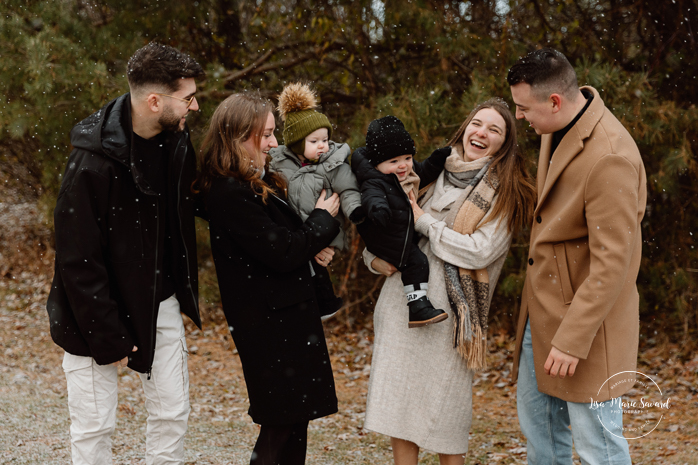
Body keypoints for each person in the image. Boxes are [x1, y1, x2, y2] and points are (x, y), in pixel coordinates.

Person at [46, 42, 205, 464]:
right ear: (155, 101)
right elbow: (77, 260)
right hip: (90, 312)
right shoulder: (90, 162)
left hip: (159, 298)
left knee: (172, 413)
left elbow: (196, 203)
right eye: (187, 98)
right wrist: (107, 333)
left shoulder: (176, 144)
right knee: (94, 427)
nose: (195, 105)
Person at [362, 99, 536, 464]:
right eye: (477, 123)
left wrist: (425, 221)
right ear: (465, 127)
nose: (482, 133)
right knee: (400, 409)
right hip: (402, 307)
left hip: (453, 318)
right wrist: (373, 260)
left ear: (505, 144)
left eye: (494, 130)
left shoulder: (504, 190)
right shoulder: (425, 172)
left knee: (447, 417)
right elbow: (383, 229)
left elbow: (480, 250)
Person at [507, 48, 647, 464]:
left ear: (554, 101)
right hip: (540, 314)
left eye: (522, 107)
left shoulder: (610, 155)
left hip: (585, 332)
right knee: (542, 439)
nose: (518, 117)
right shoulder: (557, 124)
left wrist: (571, 340)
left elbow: (613, 265)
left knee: (599, 449)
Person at [196, 92, 341, 465]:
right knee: (279, 426)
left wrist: (313, 242)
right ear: (237, 136)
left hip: (287, 320)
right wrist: (322, 220)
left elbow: (286, 245)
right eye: (266, 135)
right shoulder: (230, 191)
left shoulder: (254, 181)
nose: (275, 144)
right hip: (269, 327)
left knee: (295, 422)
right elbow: (283, 252)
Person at [269, 82, 364, 317]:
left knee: (320, 268)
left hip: (322, 230)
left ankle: (326, 303)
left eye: (325, 139)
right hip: (293, 233)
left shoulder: (333, 165)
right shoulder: (277, 163)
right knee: (302, 271)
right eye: (314, 141)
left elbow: (349, 190)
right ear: (296, 143)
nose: (322, 145)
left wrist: (355, 211)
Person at [351, 115, 450, 327]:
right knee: (416, 262)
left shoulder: (407, 173)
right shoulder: (374, 181)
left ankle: (418, 305)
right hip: (385, 234)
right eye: (393, 162)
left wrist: (437, 159)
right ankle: (417, 306)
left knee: (416, 261)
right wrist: (379, 210)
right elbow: (372, 198)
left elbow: (423, 171)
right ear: (378, 164)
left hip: (397, 231)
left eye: (406, 157)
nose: (403, 166)